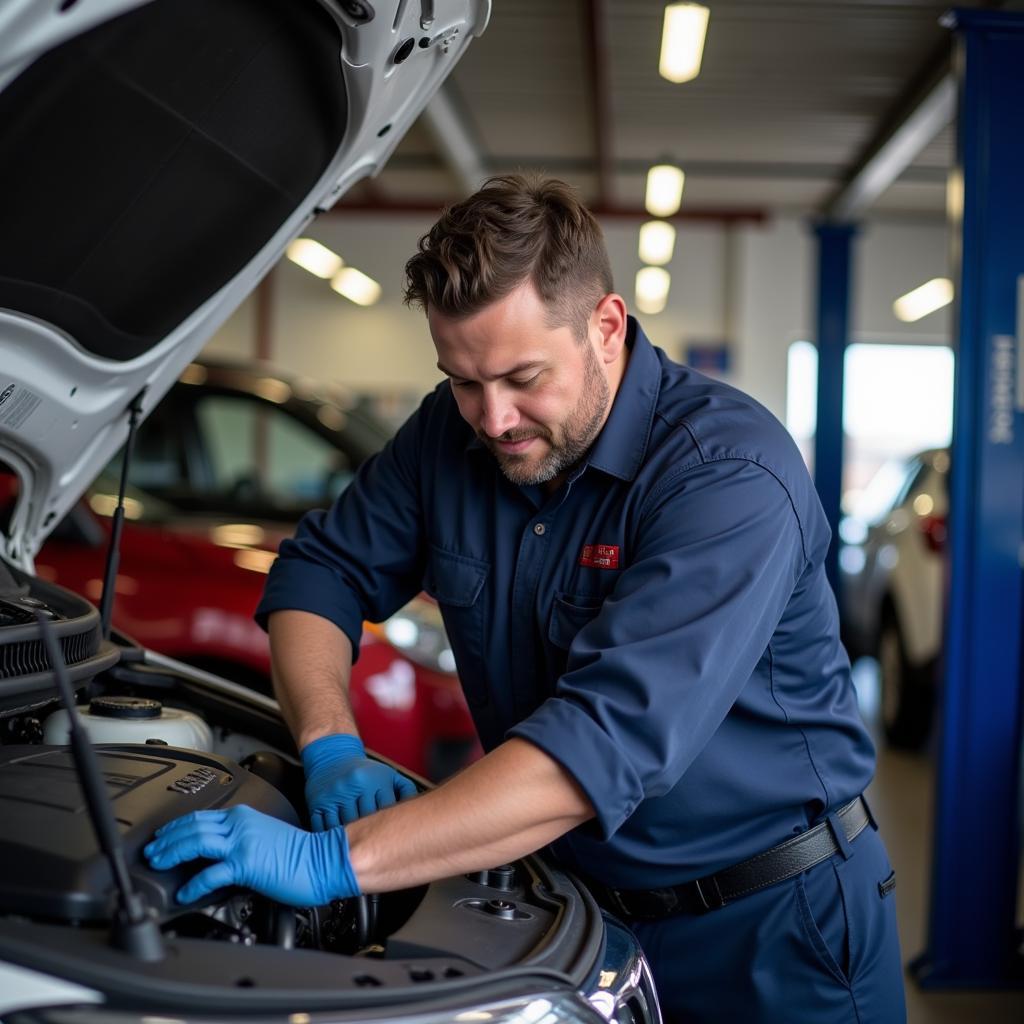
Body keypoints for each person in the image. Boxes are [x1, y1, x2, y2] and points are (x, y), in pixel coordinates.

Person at [145, 175, 906, 1022]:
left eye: (522, 377)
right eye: (464, 380)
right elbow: (319, 574)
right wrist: (329, 744)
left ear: (606, 328)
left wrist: (337, 863)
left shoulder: (726, 477)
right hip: (581, 916)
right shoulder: (450, 432)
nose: (493, 418)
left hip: (773, 933)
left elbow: (597, 749)